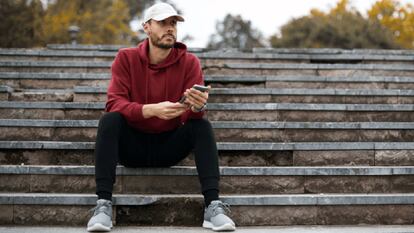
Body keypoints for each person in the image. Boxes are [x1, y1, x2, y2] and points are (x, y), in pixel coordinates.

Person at [86, 2, 236, 232]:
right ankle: (103, 205)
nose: (170, 28)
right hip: (132, 147)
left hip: (169, 146)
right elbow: (113, 102)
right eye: (163, 23)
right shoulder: (126, 58)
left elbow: (195, 114)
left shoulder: (189, 62)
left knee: (202, 126)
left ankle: (212, 206)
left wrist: (196, 107)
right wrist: (151, 109)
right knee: (110, 120)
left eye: (173, 23)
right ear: (147, 27)